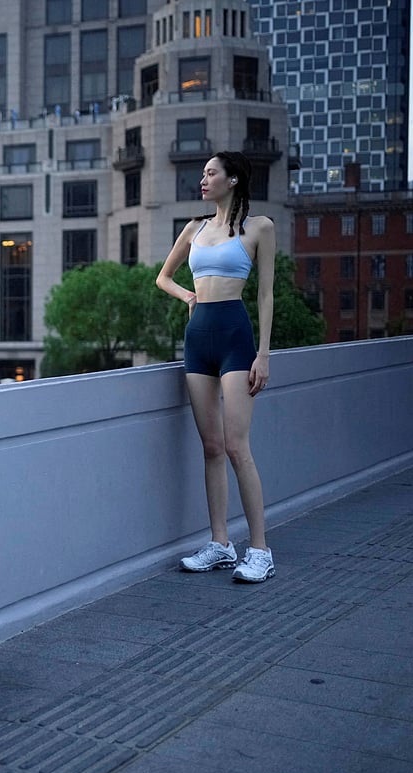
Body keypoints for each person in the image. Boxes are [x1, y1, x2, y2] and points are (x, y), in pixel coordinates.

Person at [156, 151, 276, 583]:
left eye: (211, 173)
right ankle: (221, 543)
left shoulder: (260, 227)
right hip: (197, 340)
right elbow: (163, 277)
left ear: (233, 180)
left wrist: (263, 353)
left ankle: (260, 549)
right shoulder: (194, 228)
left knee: (236, 446)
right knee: (210, 446)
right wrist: (188, 297)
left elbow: (265, 294)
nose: (203, 180)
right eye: (203, 174)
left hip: (234, 338)